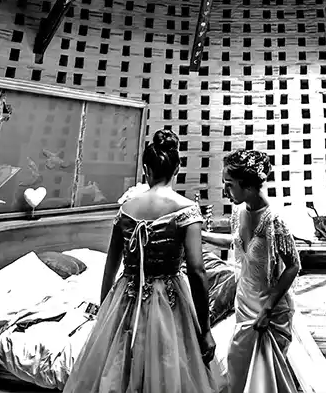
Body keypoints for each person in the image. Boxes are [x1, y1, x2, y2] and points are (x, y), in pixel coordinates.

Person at [63, 129, 219, 393]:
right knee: (169, 367)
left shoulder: (126, 209)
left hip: (127, 296)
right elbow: (197, 270)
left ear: (146, 169)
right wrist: (205, 329)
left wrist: (104, 313)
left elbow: (110, 267)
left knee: (121, 368)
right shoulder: (187, 210)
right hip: (170, 299)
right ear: (178, 168)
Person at [200, 148, 302, 392]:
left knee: (265, 380)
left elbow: (293, 266)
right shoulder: (239, 211)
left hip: (269, 310)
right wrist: (201, 234)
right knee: (238, 368)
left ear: (248, 186)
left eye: (229, 184)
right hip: (244, 304)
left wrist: (267, 310)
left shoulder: (274, 219)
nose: (225, 190)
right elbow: (236, 242)